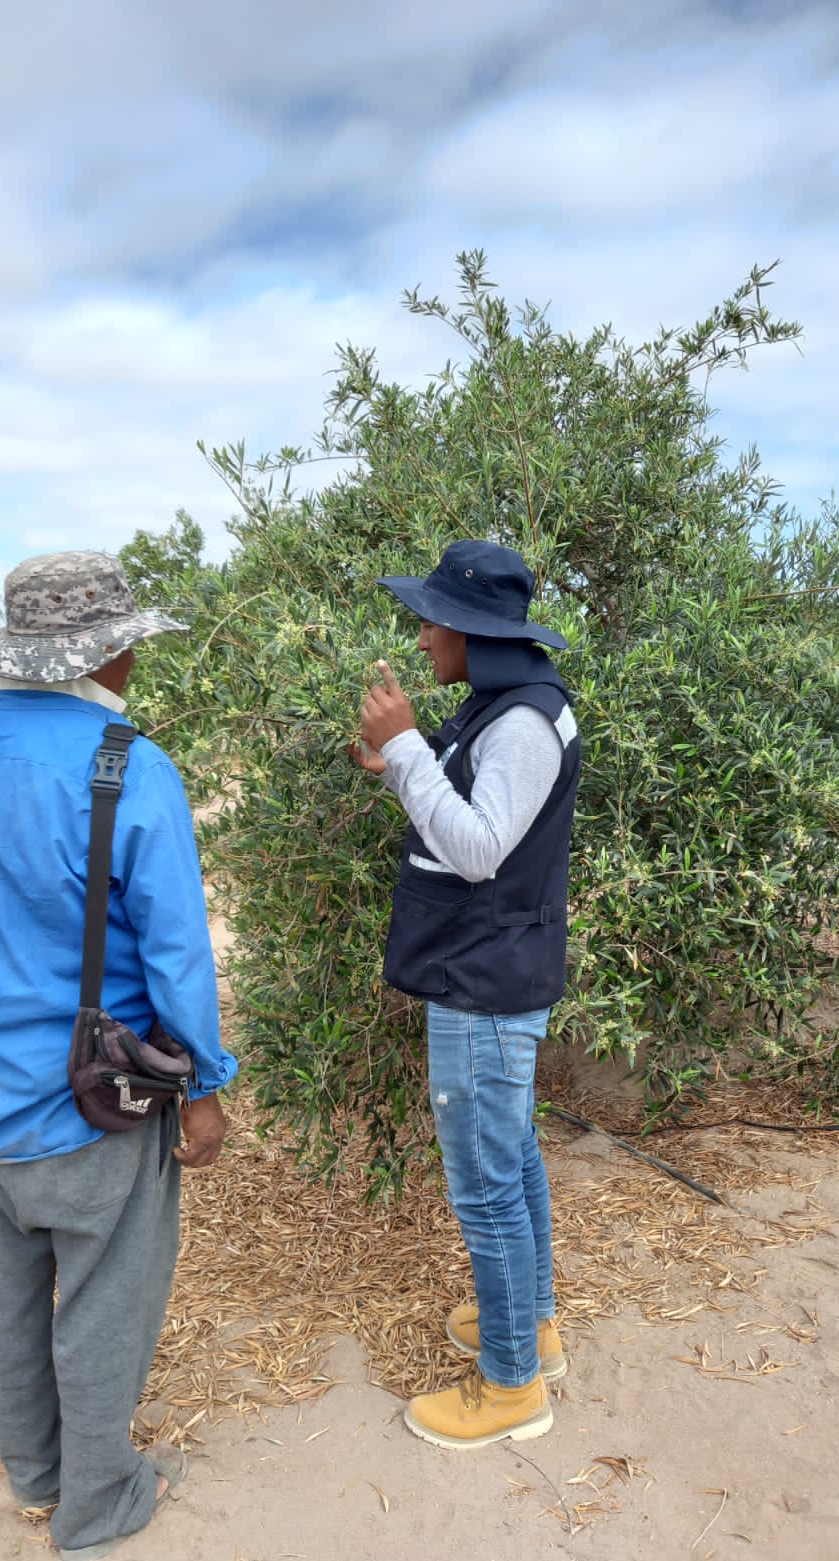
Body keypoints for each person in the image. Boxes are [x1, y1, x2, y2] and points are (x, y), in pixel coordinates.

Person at [0, 551, 237, 1561]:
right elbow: (176, 951)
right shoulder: (130, 763)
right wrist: (205, 1086)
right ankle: (99, 1502)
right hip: (98, 1100)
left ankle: (35, 1474)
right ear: (111, 650)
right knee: (105, 1298)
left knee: (1, 1297)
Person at [352, 538, 581, 1449]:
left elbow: (481, 849)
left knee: (485, 1189)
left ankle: (512, 1390)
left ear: (467, 632)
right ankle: (532, 1328)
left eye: (430, 622)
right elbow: (488, 814)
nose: (419, 638)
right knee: (513, 1158)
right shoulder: (512, 706)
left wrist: (406, 747)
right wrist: (403, 762)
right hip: (493, 973)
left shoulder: (521, 722)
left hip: (484, 987)